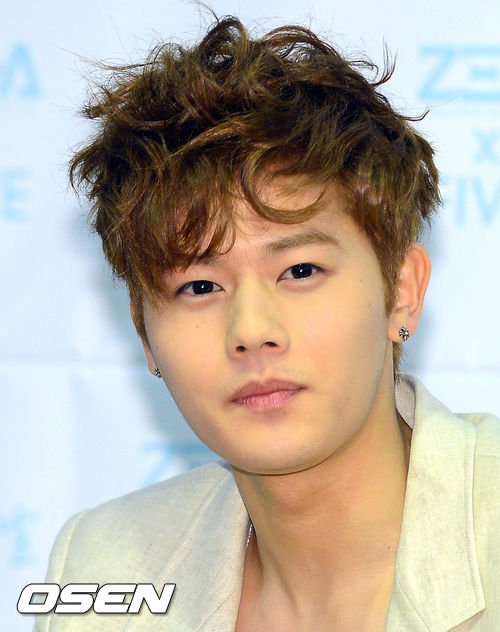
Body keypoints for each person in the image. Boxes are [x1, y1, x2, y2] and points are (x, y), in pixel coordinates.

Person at [34, 15, 499, 632]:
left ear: (402, 292)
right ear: (144, 334)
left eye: (301, 271)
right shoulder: (101, 567)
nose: (251, 331)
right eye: (199, 287)